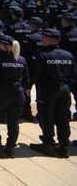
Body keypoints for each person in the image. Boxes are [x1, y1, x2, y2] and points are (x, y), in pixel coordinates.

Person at [29, 28, 77, 158]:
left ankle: (48, 143)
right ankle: (64, 146)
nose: (42, 40)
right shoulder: (68, 55)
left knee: (46, 116)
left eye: (43, 38)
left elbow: (35, 74)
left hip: (48, 90)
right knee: (63, 118)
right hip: (64, 89)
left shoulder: (42, 55)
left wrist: (28, 86)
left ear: (48, 40)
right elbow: (74, 75)